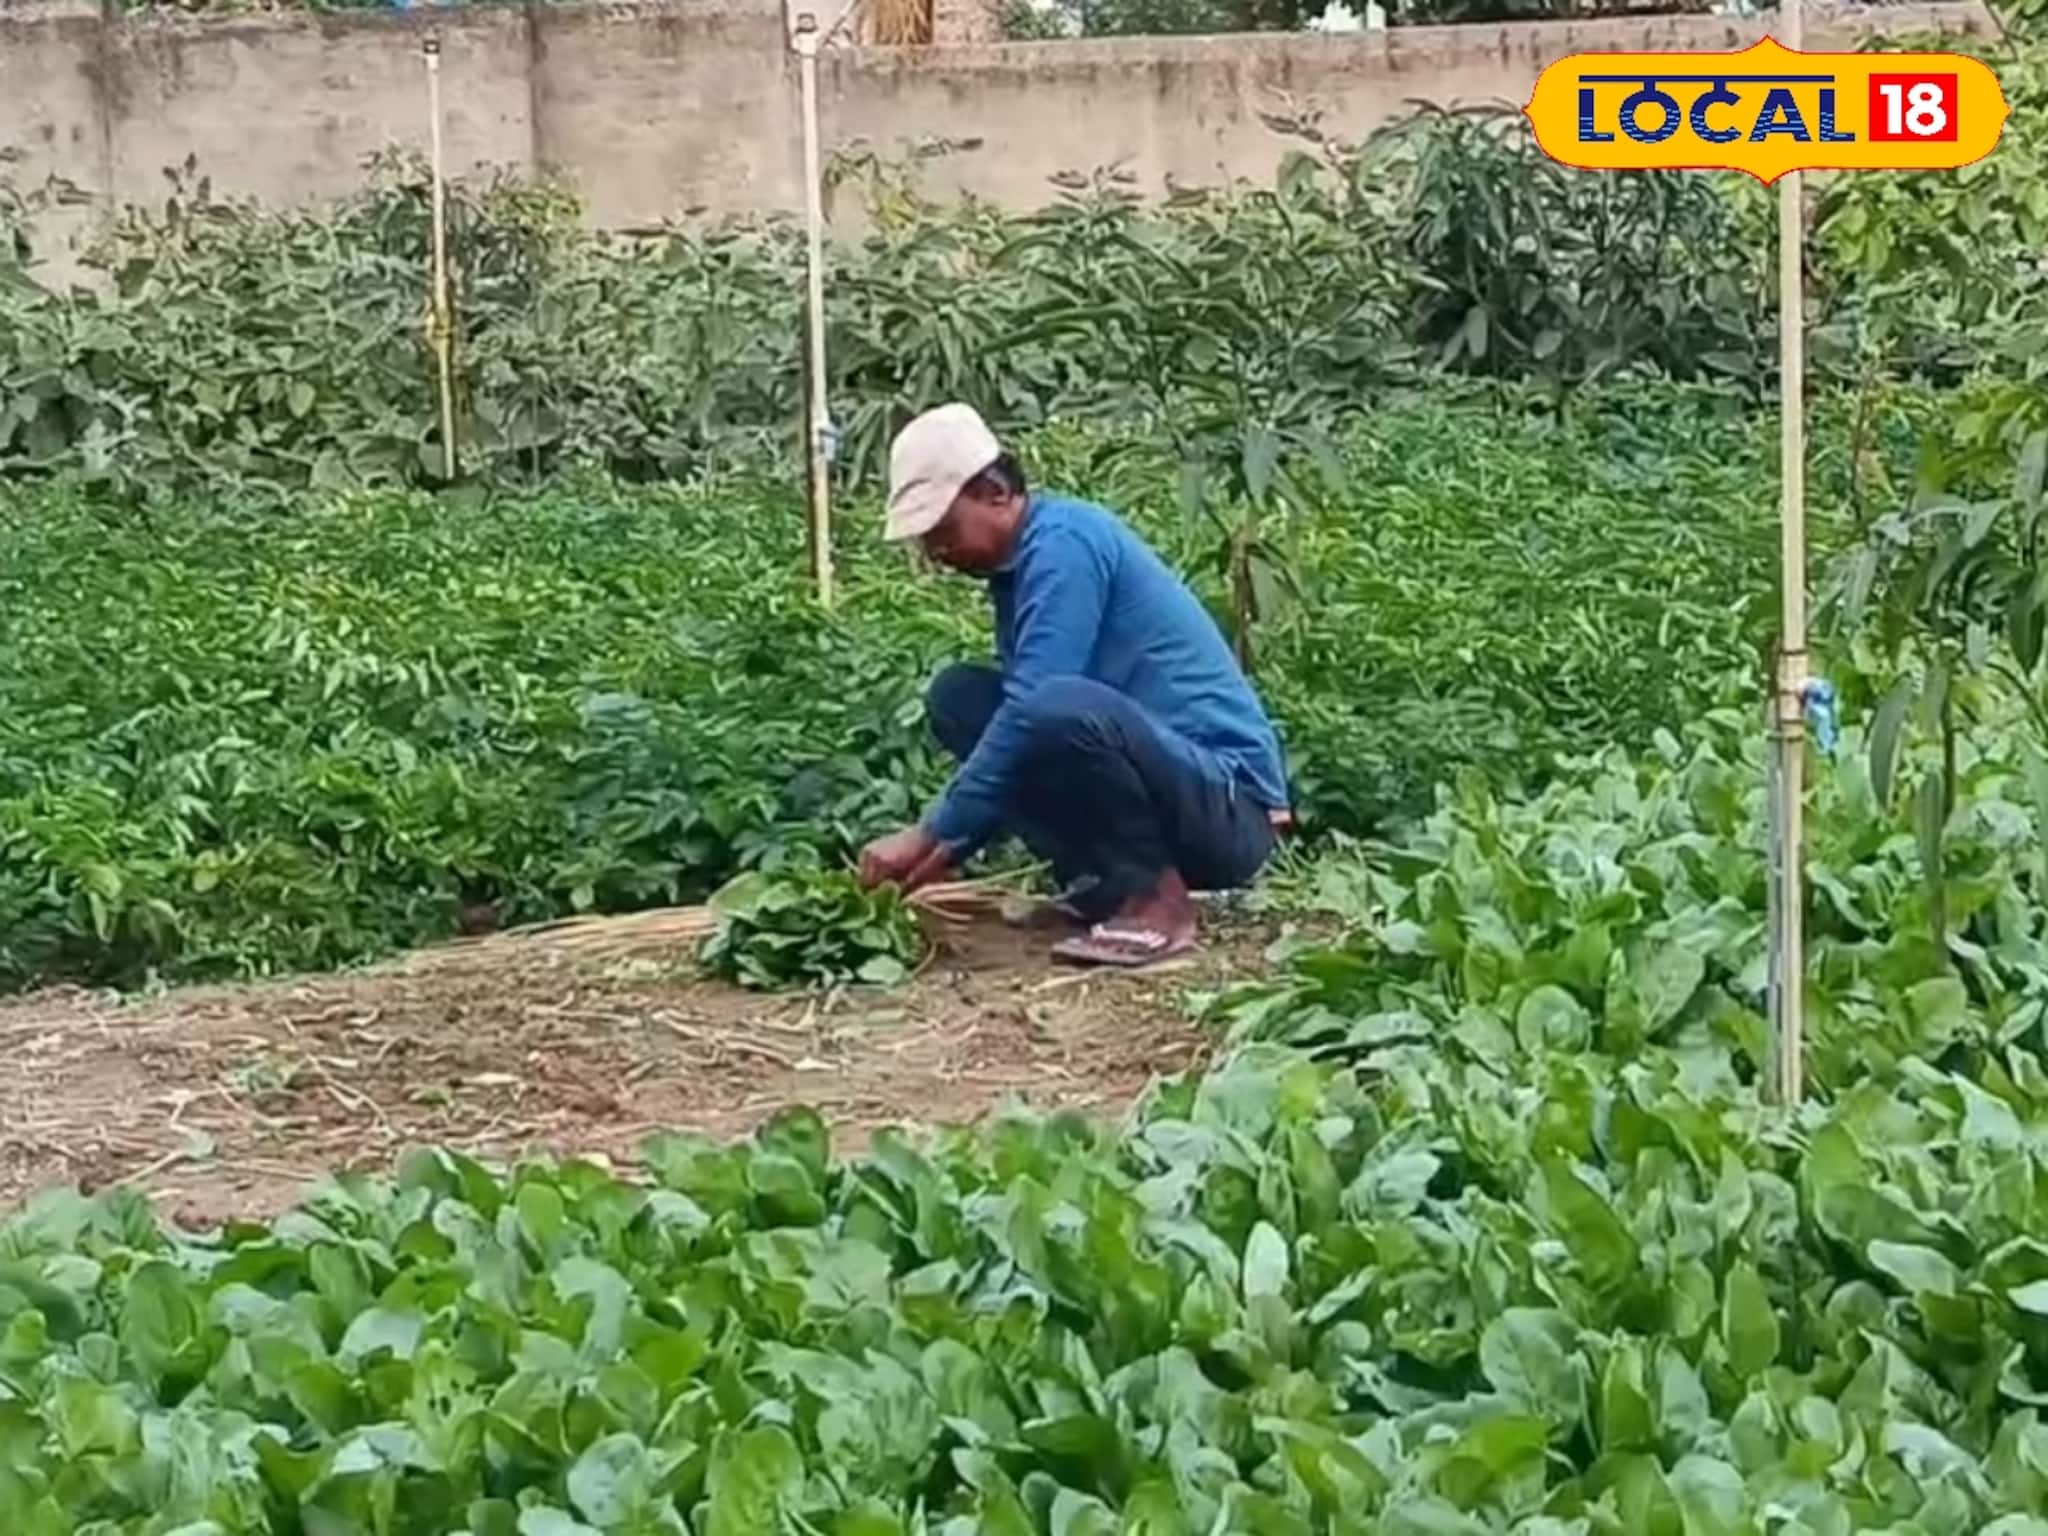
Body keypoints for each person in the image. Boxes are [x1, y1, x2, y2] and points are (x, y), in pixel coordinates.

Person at [854, 401, 1292, 967]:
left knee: (1053, 704)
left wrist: (929, 830)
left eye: (943, 529)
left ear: (994, 491)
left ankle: (1155, 903)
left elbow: (1040, 705)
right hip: (1171, 795)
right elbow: (1022, 728)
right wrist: (947, 849)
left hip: (1229, 813)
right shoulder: (1022, 568)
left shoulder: (1064, 544)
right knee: (960, 698)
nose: (937, 553)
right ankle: (1105, 880)